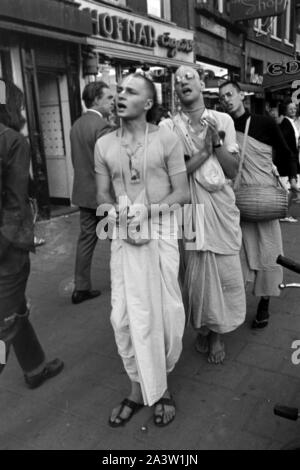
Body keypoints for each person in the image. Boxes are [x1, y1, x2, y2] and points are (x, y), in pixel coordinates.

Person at [94, 73, 189, 427]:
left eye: (130, 91)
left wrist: (145, 215)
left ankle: (159, 389)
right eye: (119, 90)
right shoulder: (104, 144)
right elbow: (102, 194)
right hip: (123, 233)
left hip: (160, 229)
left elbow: (182, 192)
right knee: (124, 318)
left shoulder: (166, 139)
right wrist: (120, 221)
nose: (120, 95)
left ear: (147, 103)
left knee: (165, 316)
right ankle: (138, 387)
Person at [161, 66, 246, 364]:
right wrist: (204, 151)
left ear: (201, 84)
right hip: (191, 209)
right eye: (178, 80)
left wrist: (217, 144)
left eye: (189, 77)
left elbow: (232, 169)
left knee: (223, 273)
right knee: (196, 274)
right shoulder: (169, 127)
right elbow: (173, 176)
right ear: (175, 90)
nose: (183, 81)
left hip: (219, 207)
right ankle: (203, 326)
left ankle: (218, 333)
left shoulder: (222, 120)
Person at [0, 79, 64, 387]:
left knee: (15, 309)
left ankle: (36, 368)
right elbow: (15, 205)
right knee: (5, 325)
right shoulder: (12, 140)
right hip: (6, 255)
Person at [219, 80, 297, 329]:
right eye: (222, 97)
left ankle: (264, 302)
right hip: (234, 198)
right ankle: (235, 300)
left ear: (241, 95)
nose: (226, 100)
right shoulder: (222, 127)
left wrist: (292, 179)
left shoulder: (264, 122)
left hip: (262, 197)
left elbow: (285, 152)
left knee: (268, 250)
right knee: (236, 250)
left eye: (230, 94)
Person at [70, 81, 114, 304]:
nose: (112, 102)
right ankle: (121, 280)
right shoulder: (102, 126)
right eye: (109, 98)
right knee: (117, 240)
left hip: (84, 193)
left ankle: (81, 287)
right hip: (103, 195)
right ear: (96, 99)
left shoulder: (76, 124)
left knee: (86, 240)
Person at [278, 100, 300, 221]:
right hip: (288, 158)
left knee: (293, 186)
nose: (293, 110)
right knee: (289, 187)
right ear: (285, 110)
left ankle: (285, 213)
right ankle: (283, 214)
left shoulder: (291, 122)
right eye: (290, 108)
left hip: (292, 157)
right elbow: (285, 141)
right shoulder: (285, 122)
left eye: (294, 108)